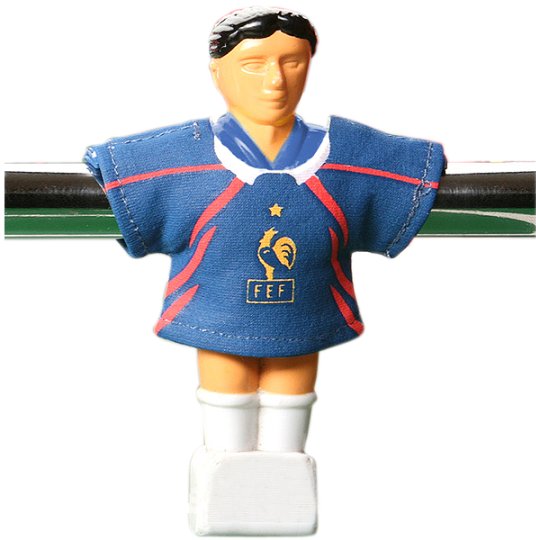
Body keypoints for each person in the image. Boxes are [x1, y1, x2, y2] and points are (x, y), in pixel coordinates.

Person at [84, 7, 445, 457]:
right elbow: (124, 176)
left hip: (305, 319)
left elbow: (406, 176)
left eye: (292, 62)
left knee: (288, 428)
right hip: (218, 317)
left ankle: (281, 480)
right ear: (217, 72)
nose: (275, 80)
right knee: (225, 425)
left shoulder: (350, 156)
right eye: (253, 64)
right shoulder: (178, 159)